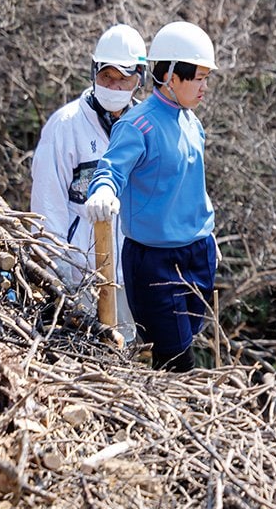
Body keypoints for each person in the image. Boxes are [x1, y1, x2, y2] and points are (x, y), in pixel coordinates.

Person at [83, 21, 217, 371]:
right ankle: (186, 416)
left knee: (183, 343)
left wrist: (207, 233)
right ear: (172, 76)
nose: (204, 87)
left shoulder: (192, 122)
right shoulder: (137, 124)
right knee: (177, 356)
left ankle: (177, 410)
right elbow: (111, 168)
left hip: (198, 251)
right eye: (198, 78)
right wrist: (103, 191)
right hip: (155, 260)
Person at [30, 24, 147, 340]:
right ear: (93, 71)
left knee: (125, 348)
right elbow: (47, 199)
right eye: (106, 76)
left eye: (123, 78)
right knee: (79, 346)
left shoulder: (144, 127)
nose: (114, 85)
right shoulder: (65, 125)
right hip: (77, 267)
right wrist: (53, 265)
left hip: (128, 269)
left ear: (140, 78)